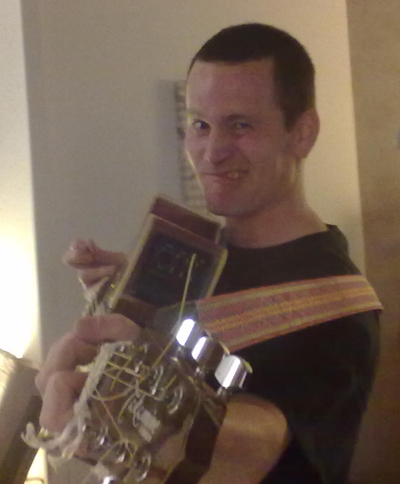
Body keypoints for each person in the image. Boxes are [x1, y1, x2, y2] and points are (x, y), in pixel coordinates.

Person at [35, 24, 380, 483]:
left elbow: (246, 453)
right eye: (200, 124)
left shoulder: (334, 306)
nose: (212, 152)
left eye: (241, 125)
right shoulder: (200, 260)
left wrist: (123, 392)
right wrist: (123, 303)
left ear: (302, 133)